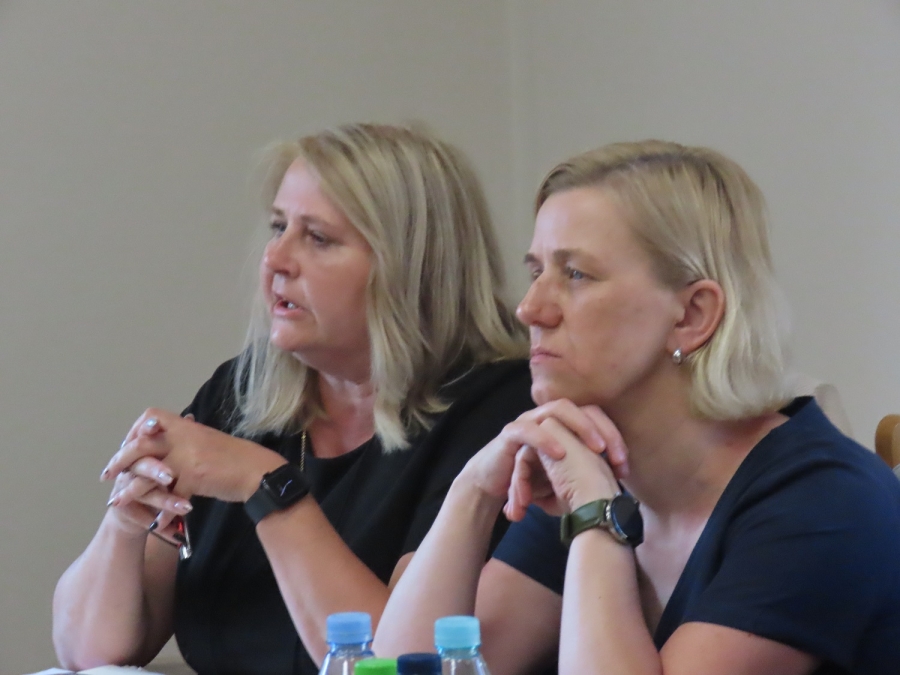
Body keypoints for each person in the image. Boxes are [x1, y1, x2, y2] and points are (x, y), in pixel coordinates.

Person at [374, 140, 900, 674]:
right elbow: (407, 668)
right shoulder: (595, 475)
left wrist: (597, 519)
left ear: (692, 315)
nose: (529, 309)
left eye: (575, 274)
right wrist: (473, 492)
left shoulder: (825, 503)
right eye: (536, 272)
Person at [52, 123, 534, 675]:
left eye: (318, 238)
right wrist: (126, 522)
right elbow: (89, 653)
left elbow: (397, 662)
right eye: (279, 227)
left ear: (410, 267)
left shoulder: (496, 410)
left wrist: (267, 487)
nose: (275, 259)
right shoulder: (240, 394)